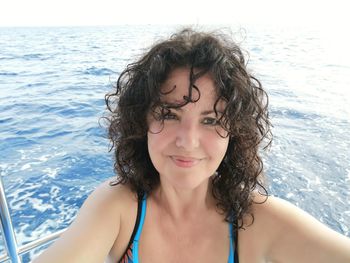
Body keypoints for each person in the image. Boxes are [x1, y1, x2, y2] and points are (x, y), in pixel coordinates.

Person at [33, 27, 350, 263]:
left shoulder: (257, 221)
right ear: (142, 121)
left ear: (234, 133)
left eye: (211, 120)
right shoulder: (118, 207)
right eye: (169, 114)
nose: (188, 140)